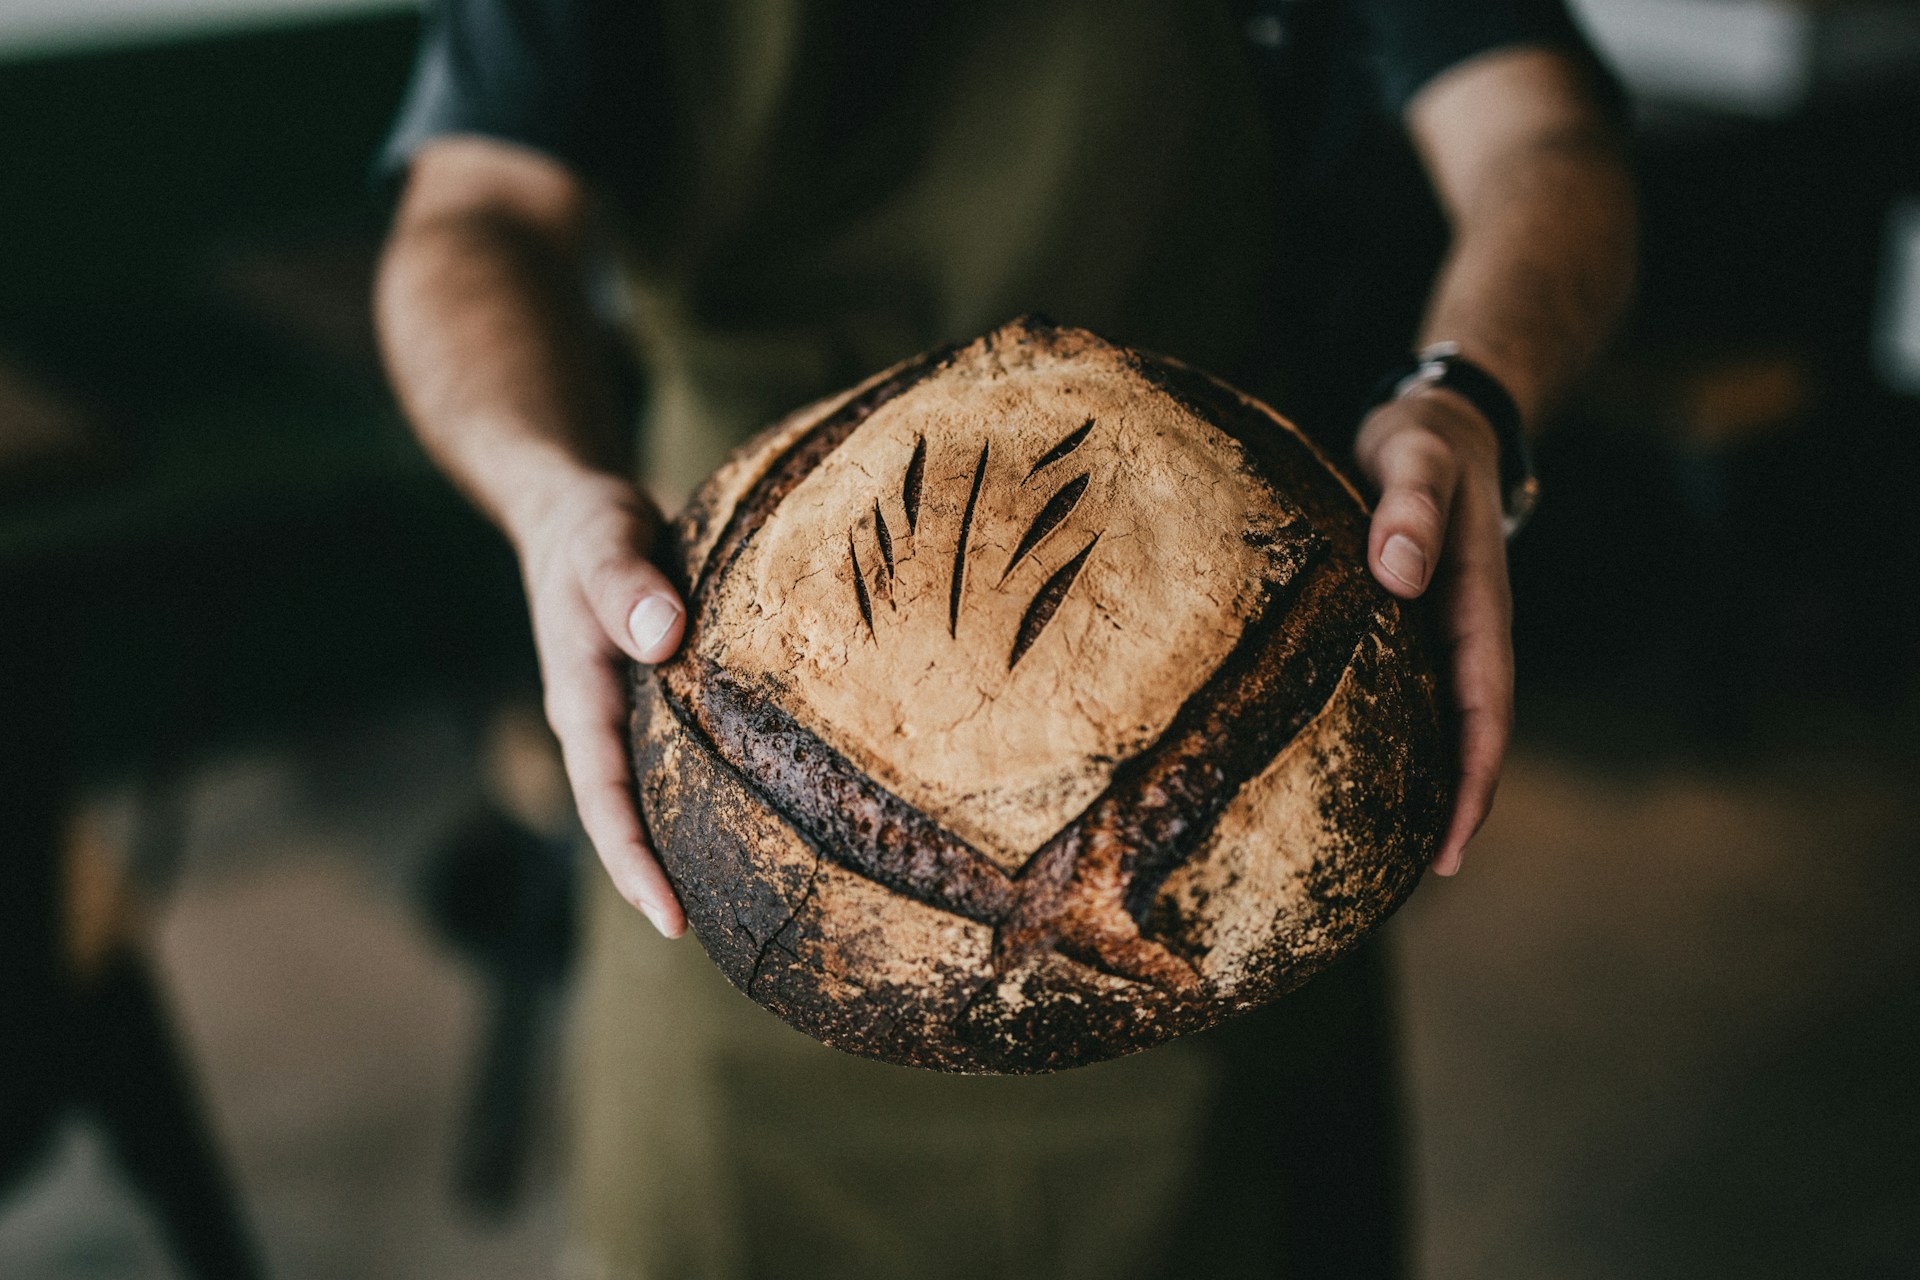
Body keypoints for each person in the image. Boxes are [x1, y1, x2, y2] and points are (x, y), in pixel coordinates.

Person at [374, 2, 1636, 1275]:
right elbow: (469, 215)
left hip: (1213, 709)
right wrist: (547, 495)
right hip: (737, 753)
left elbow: (1542, 137)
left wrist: (1469, 395)